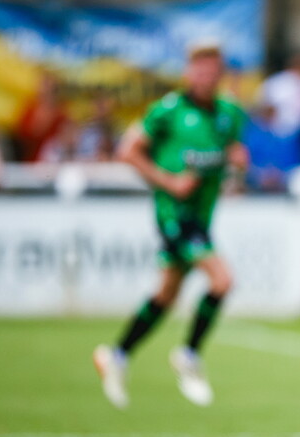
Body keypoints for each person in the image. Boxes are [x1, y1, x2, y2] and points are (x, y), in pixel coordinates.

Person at [92, 39, 248, 408]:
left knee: (165, 295)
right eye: (200, 71)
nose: (206, 79)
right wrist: (169, 181)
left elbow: (232, 156)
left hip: (201, 216)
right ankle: (189, 356)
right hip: (173, 215)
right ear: (188, 73)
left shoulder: (229, 114)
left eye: (213, 72)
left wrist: (237, 163)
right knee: (222, 280)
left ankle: (116, 355)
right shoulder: (168, 111)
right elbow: (127, 151)